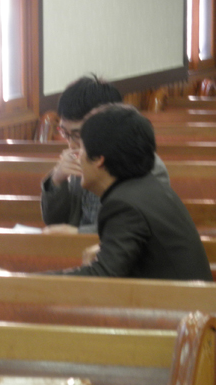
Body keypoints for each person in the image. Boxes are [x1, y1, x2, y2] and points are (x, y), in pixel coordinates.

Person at [49, 104, 212, 281]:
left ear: (99, 160)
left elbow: (102, 276)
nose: (78, 157)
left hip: (179, 299)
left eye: (82, 149)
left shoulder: (124, 205)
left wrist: (28, 280)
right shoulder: (146, 187)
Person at [41, 75, 170, 234]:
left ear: (107, 123)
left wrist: (78, 234)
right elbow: (54, 222)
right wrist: (57, 181)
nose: (71, 145)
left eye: (77, 134)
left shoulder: (146, 165)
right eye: (65, 133)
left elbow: (132, 229)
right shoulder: (82, 156)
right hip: (76, 246)